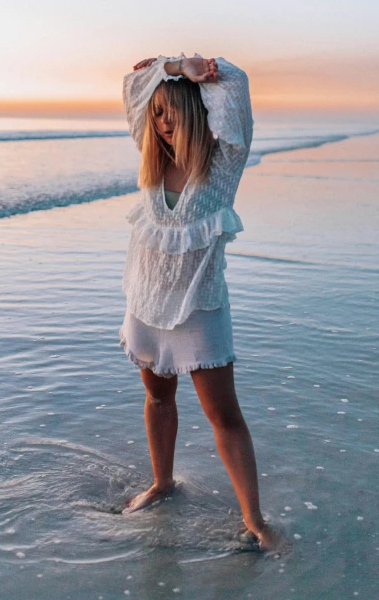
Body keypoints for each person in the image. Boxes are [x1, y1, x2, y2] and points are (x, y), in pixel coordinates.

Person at [119, 52, 288, 555]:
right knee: (157, 398)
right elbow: (133, 87)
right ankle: (162, 483)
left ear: (194, 112)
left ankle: (254, 519)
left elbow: (236, 82)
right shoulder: (150, 160)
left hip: (199, 308)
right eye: (158, 114)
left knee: (224, 415)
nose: (162, 123)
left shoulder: (222, 164)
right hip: (146, 304)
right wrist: (165, 67)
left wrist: (193, 67)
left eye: (171, 112)